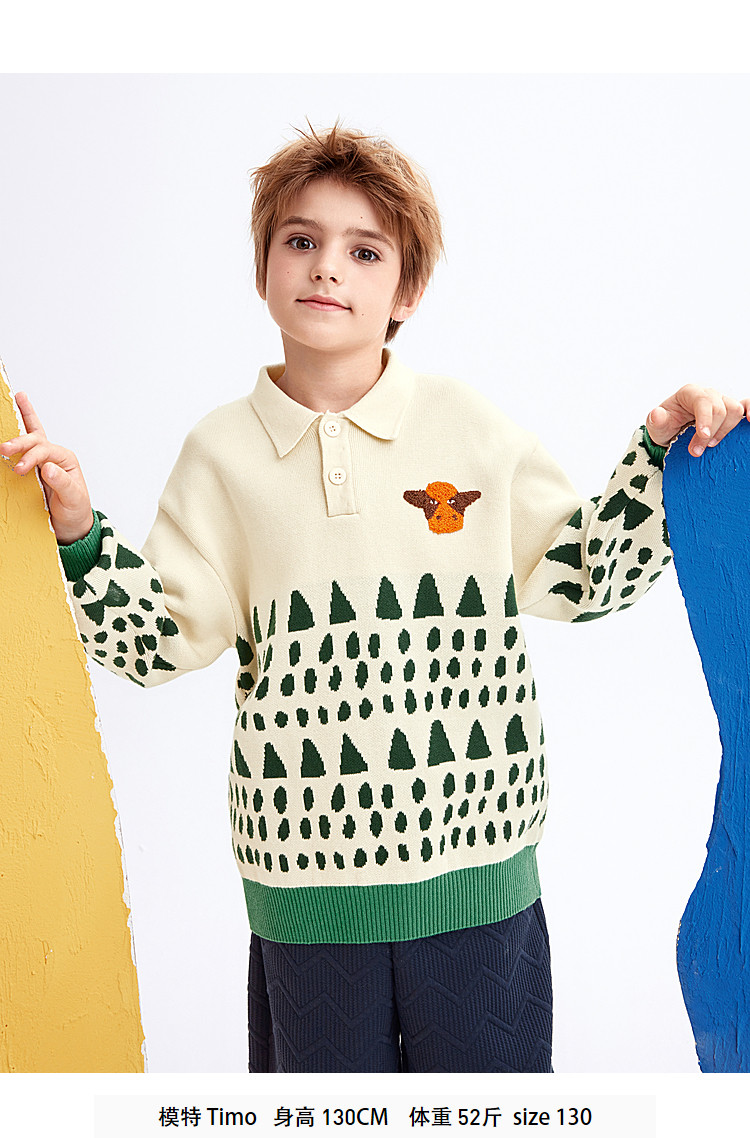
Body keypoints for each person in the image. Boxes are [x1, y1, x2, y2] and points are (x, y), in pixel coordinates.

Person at [3, 124, 748, 1073]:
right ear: (263, 268)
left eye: (365, 252)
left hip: (482, 883)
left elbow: (585, 573)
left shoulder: (469, 428)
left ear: (407, 292)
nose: (327, 268)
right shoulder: (220, 456)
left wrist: (663, 453)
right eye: (300, 240)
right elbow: (157, 641)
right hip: (305, 899)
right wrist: (76, 530)